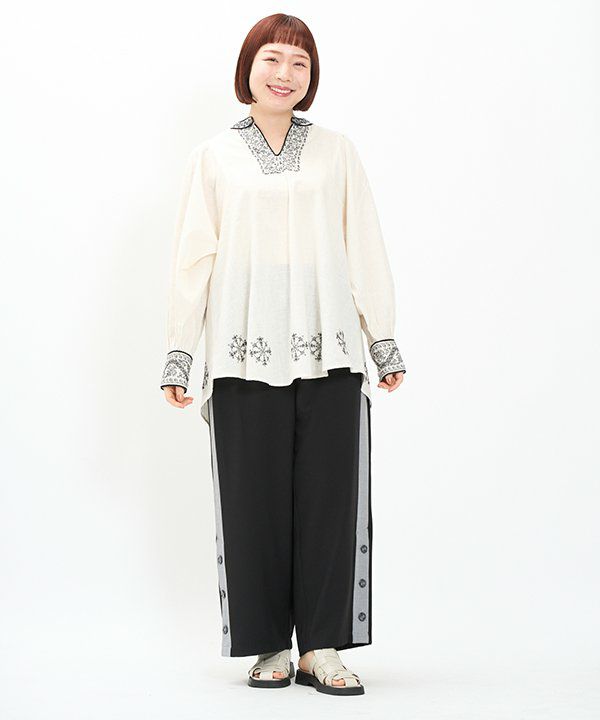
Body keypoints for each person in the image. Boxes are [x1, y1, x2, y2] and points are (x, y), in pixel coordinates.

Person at [159, 13, 406, 697]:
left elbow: (365, 244)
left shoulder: (336, 152)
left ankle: (321, 647)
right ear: (248, 66)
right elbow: (192, 260)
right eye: (272, 58)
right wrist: (179, 351)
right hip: (243, 353)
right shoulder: (214, 157)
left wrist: (382, 339)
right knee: (252, 503)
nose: (285, 74)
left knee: (330, 501)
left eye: (300, 63)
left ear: (311, 76)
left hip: (331, 350)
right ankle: (268, 643)